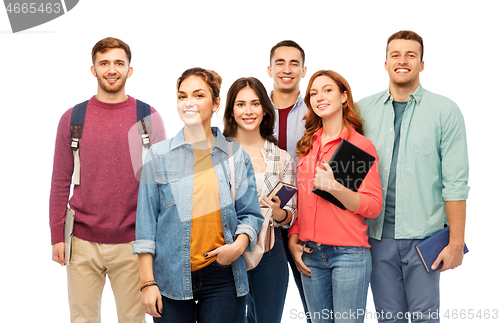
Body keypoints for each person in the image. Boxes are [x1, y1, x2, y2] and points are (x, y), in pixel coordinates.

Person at [133, 68, 264, 323]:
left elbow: (250, 214)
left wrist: (237, 248)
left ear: (216, 103)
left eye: (198, 95)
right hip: (170, 277)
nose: (189, 102)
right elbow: (146, 225)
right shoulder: (158, 156)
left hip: (223, 277)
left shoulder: (234, 155)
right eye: (182, 96)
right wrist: (147, 282)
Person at [49, 37, 166, 322]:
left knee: (132, 319)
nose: (111, 70)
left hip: (133, 242)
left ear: (130, 70)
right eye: (104, 63)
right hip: (81, 241)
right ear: (93, 69)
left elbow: (163, 185)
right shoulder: (73, 117)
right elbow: (60, 181)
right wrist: (56, 236)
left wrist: (156, 242)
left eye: (118, 63)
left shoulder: (147, 117)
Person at [357, 30, 469, 322]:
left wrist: (456, 242)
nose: (402, 61)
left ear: (422, 63)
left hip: (425, 239)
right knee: (388, 319)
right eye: (395, 55)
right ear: (385, 63)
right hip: (376, 237)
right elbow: (347, 178)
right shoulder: (362, 111)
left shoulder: (445, 111)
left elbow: (455, 183)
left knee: (425, 319)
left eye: (411, 55)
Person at [288, 70, 383, 323]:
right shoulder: (307, 147)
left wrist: (335, 187)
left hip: (348, 254)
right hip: (310, 254)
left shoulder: (358, 145)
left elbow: (373, 207)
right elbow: (300, 200)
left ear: (344, 96)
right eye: (314, 93)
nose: (320, 96)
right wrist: (293, 237)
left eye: (327, 90)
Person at [222, 77, 297, 322]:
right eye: (241, 104)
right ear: (231, 110)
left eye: (255, 104)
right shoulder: (217, 153)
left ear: (265, 109)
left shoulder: (281, 157)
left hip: (270, 249)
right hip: (227, 247)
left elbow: (290, 215)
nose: (248, 111)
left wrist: (278, 212)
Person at [267, 40, 310, 320]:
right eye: (280, 62)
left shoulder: (316, 112)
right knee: (260, 310)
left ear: (304, 70)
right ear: (269, 68)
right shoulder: (251, 110)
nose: (287, 69)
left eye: (294, 63)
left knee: (315, 306)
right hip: (262, 224)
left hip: (306, 221)